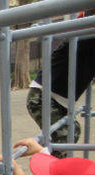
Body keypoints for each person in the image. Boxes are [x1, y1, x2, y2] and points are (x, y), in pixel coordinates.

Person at [26, 12, 95, 158]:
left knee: (71, 131)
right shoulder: (82, 33)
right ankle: (46, 167)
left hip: (58, 98)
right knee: (65, 136)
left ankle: (50, 167)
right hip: (42, 95)